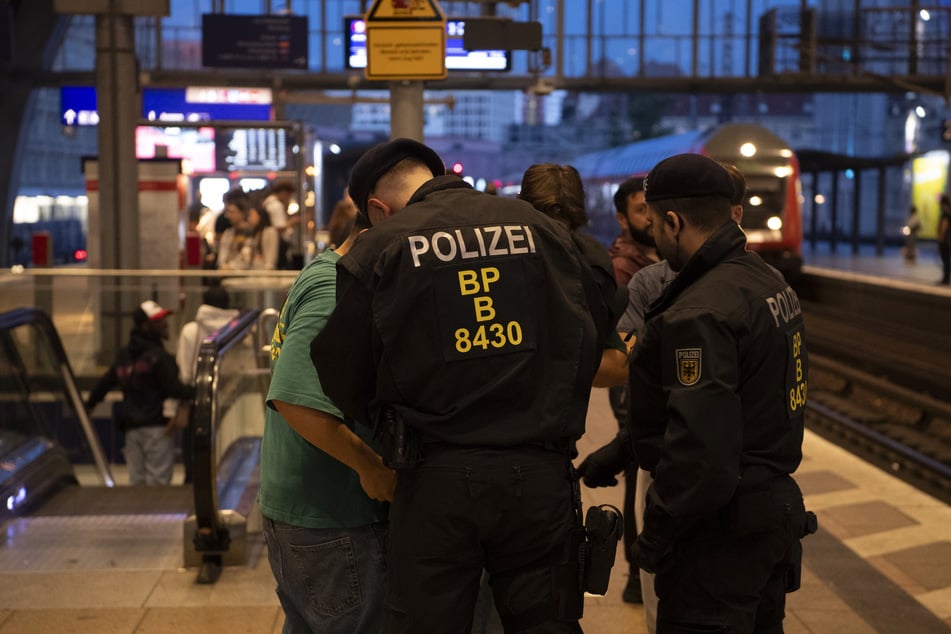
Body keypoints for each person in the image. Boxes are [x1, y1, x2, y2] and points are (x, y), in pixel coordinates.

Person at [310, 138, 617, 633]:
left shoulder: (382, 246)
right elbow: (590, 338)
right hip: (541, 473)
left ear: (376, 207)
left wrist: (390, 421)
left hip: (436, 477)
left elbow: (338, 367)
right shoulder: (544, 232)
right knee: (546, 624)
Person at [580, 154, 814, 633]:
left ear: (673, 221)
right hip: (771, 513)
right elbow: (731, 403)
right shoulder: (765, 280)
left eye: (655, 221)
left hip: (718, 534)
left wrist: (656, 537)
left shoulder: (700, 311)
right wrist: (624, 450)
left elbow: (701, 452)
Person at [256, 213, 395, 634]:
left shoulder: (325, 268)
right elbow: (293, 397)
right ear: (383, 218)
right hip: (333, 516)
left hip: (307, 512)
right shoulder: (338, 289)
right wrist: (371, 468)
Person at [518, 162, 630, 388]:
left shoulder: (594, 266)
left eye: (561, 230)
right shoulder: (593, 260)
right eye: (543, 231)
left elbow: (616, 365)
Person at [84, 300, 195, 486]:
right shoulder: (159, 358)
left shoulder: (125, 356)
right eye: (158, 321)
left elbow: (106, 382)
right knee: (158, 483)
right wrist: (198, 390)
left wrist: (88, 405)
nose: (165, 324)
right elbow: (174, 389)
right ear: (146, 326)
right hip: (157, 429)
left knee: (136, 482)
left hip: (131, 429)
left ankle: (140, 514)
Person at [171, 285, 239, 484]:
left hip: (198, 402)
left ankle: (195, 494)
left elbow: (184, 372)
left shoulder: (191, 330)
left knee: (195, 455)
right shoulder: (238, 329)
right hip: (230, 401)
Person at [609, 176, 658, 287]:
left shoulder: (666, 252)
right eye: (641, 210)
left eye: (653, 208)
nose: (650, 217)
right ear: (622, 219)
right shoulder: (621, 267)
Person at [217, 190, 281, 271]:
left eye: (251, 215)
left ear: (259, 214)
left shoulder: (269, 232)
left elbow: (270, 262)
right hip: (246, 274)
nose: (248, 218)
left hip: (261, 276)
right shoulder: (232, 232)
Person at [263, 178, 302, 269]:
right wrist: (293, 221)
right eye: (289, 195)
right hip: (276, 245)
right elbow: (279, 227)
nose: (288, 198)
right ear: (284, 192)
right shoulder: (276, 205)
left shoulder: (268, 203)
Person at [938, 196, 951, 284]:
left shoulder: (946, 213)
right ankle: (946, 277)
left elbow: (944, 226)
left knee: (945, 259)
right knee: (947, 259)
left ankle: (946, 278)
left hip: (945, 240)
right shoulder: (949, 212)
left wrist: (941, 238)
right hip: (948, 240)